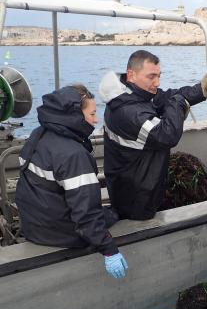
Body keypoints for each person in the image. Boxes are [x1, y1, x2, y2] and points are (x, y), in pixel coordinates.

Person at [16, 84, 128, 279]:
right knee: (116, 214)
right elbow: (85, 215)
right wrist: (109, 250)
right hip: (58, 233)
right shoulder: (73, 154)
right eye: (92, 114)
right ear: (75, 116)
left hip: (32, 226)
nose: (96, 119)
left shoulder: (38, 134)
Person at [99, 49, 207, 220]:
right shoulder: (128, 111)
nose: (157, 82)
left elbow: (167, 96)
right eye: (151, 77)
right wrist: (177, 104)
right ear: (131, 75)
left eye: (159, 76)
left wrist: (200, 90)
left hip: (141, 186)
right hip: (135, 200)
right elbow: (167, 134)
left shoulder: (134, 95)